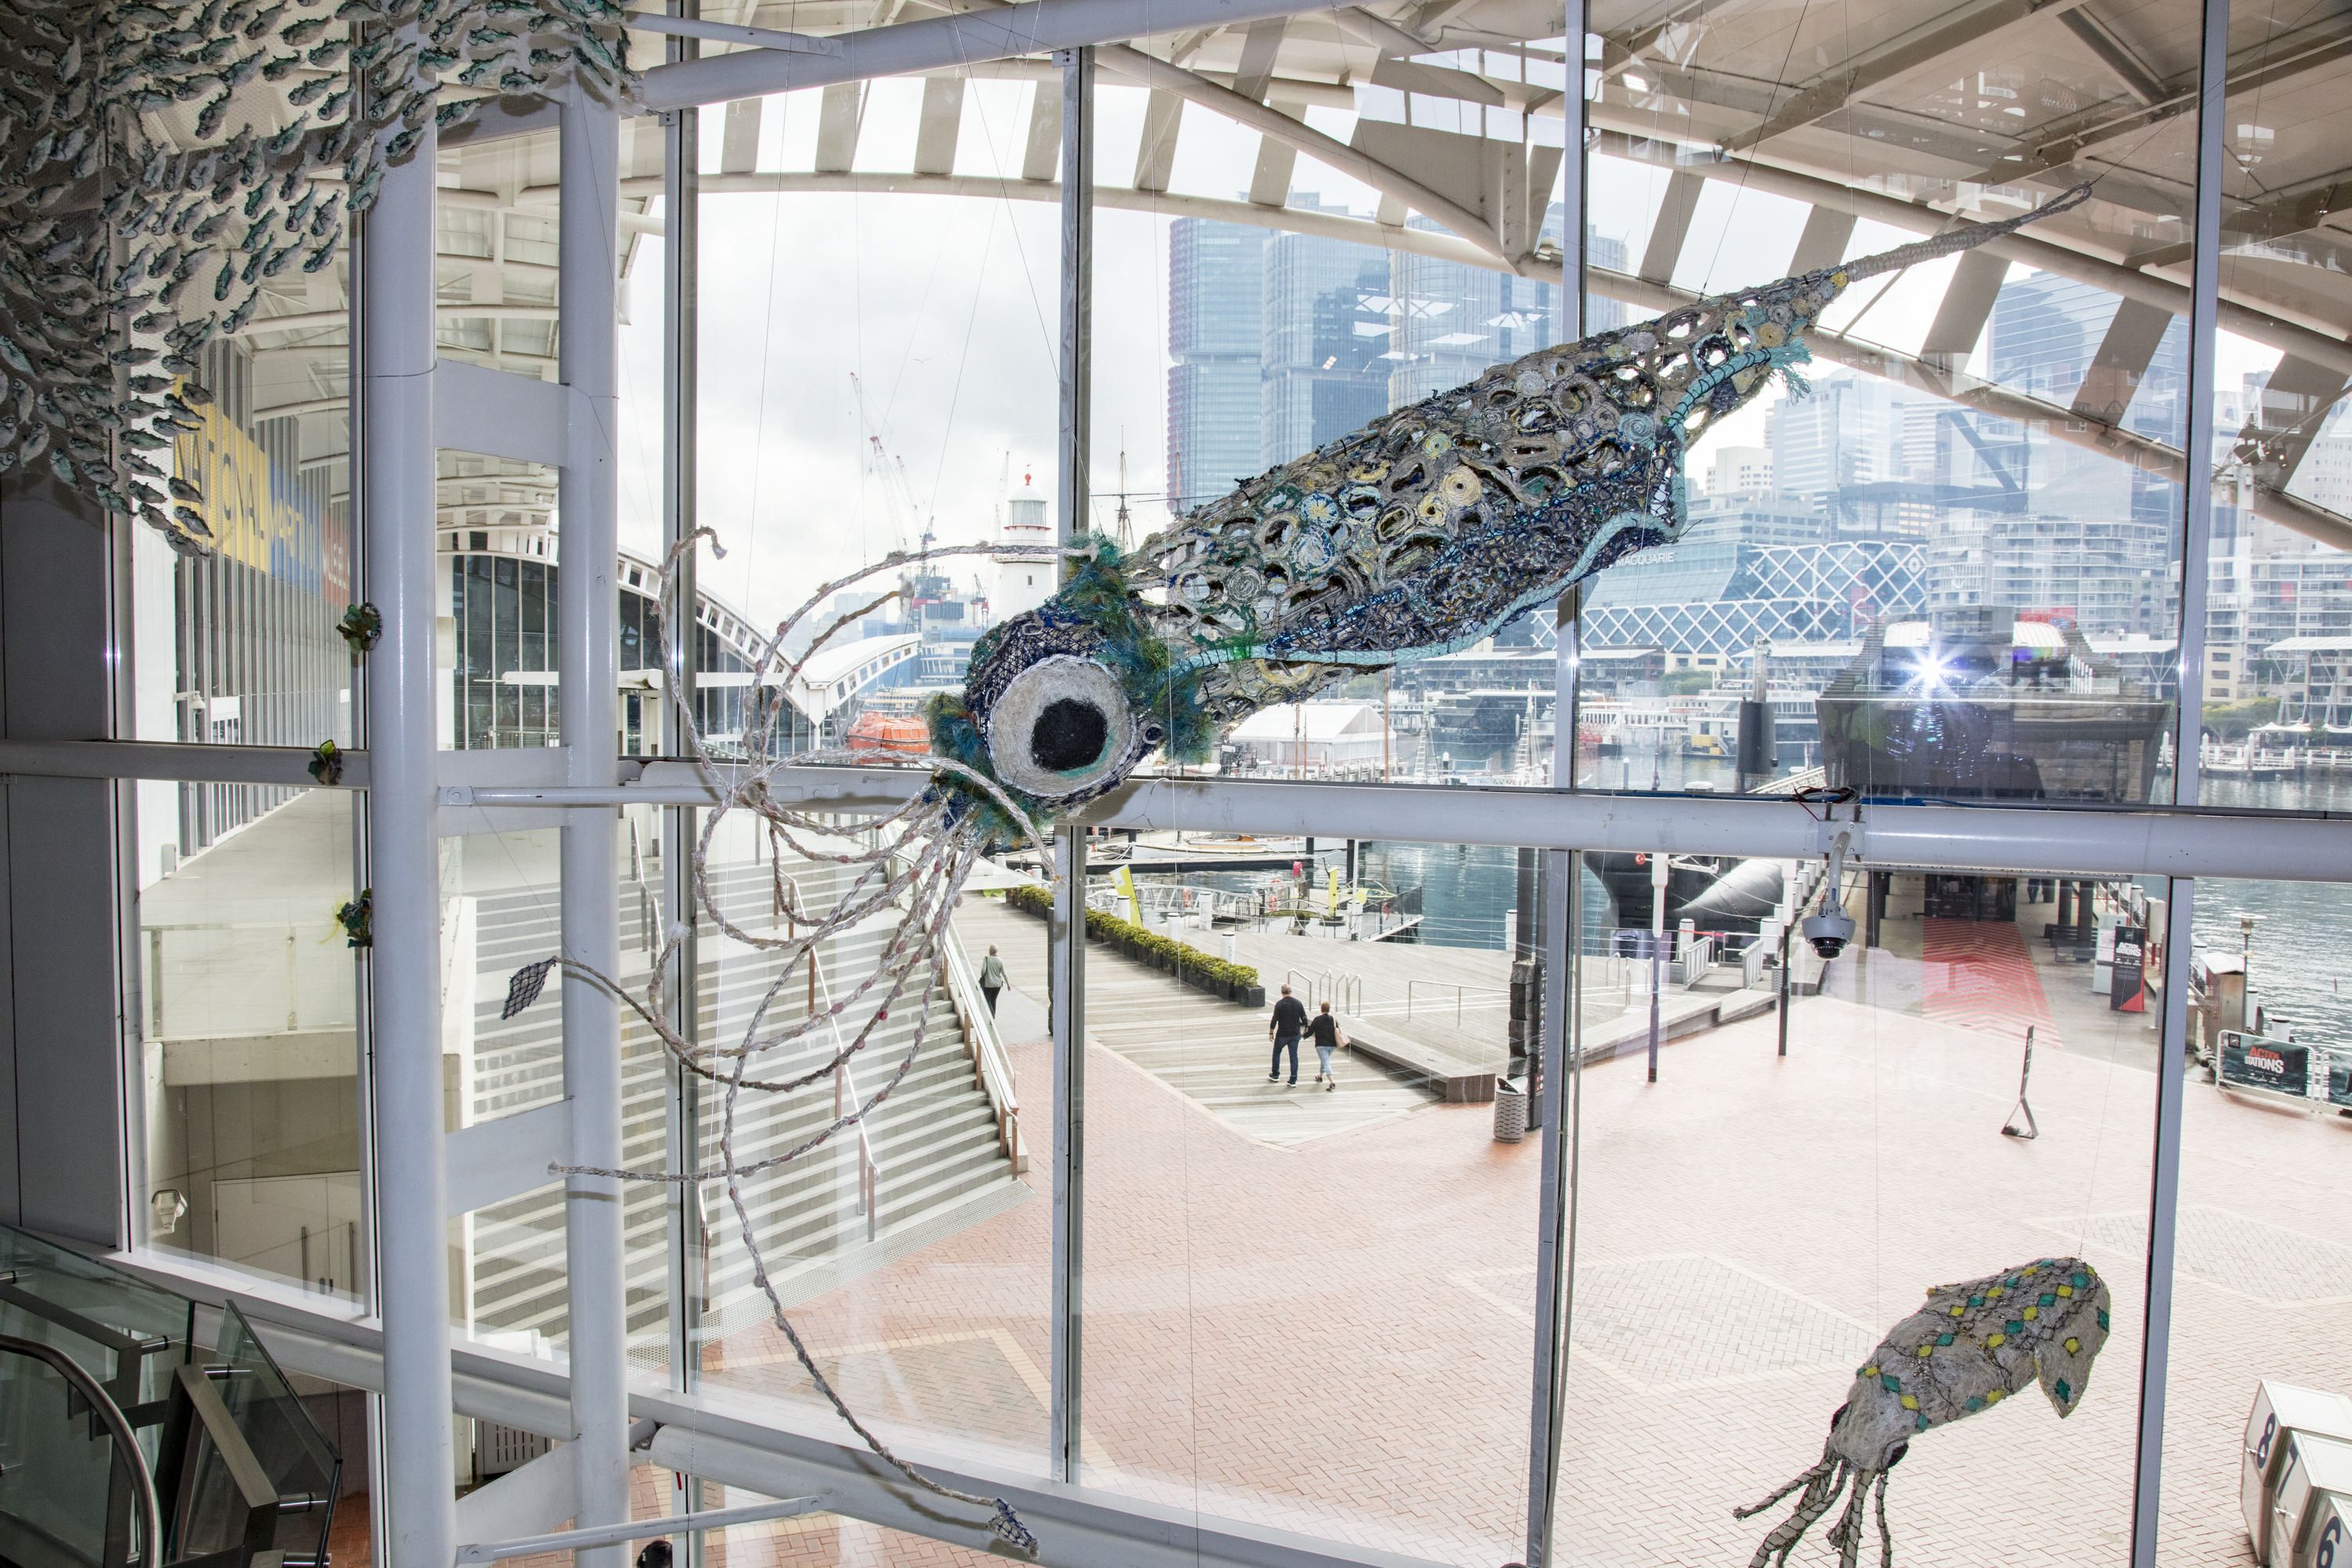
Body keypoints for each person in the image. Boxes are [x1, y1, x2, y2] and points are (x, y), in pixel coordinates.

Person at [1267, 984, 1307, 1086]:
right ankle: (1293, 1079)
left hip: (1282, 1034)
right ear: (1291, 992)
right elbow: (1304, 1018)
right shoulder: (1298, 1003)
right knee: (1294, 1056)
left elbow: (1274, 1019)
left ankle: (1275, 1074)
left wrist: (1271, 1032)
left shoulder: (1279, 1004)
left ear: (1282, 993)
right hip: (1295, 1034)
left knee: (1277, 1052)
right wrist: (1304, 1029)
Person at [1308, 1000, 1345, 1090]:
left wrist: (1302, 1035)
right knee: (1324, 1060)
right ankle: (1320, 1076)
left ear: (1321, 1009)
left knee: (1326, 1062)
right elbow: (1338, 1029)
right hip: (1332, 1045)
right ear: (1329, 1009)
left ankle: (1332, 1082)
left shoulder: (1317, 1019)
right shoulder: (1333, 1019)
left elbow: (1310, 1031)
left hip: (1321, 1046)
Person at [978, 945, 1007, 1015]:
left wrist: (983, 976)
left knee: (987, 1000)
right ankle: (992, 1017)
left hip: (988, 984)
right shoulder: (1000, 960)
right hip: (998, 984)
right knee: (994, 1000)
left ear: (990, 951)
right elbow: (1004, 973)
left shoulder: (986, 959)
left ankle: (992, 1014)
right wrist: (1008, 984)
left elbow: (983, 971)